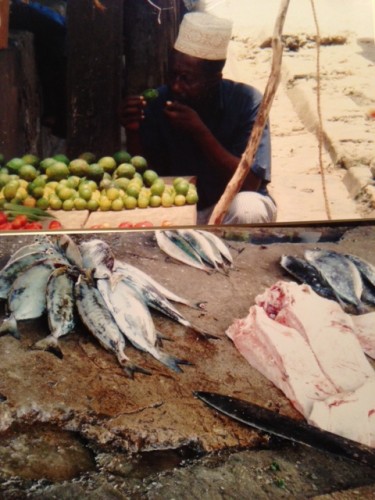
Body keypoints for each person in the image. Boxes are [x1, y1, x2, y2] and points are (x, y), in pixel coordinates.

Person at [120, 11, 277, 224]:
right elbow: (144, 175)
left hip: (226, 210)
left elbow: (250, 184)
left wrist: (200, 132)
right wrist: (133, 130)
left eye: (186, 79)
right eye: (173, 74)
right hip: (175, 208)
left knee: (250, 209)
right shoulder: (159, 100)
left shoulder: (247, 102)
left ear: (215, 80)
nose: (175, 86)